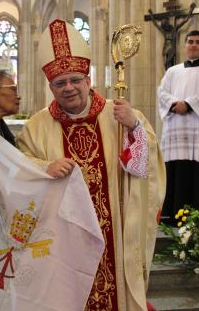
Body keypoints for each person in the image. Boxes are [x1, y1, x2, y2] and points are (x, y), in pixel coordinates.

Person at [17, 19, 166, 311]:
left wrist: (134, 127)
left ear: (88, 80)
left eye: (75, 80)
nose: (69, 88)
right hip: (64, 235)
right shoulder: (36, 127)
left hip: (114, 232)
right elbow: (19, 169)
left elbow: (144, 169)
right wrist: (44, 168)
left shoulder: (119, 114)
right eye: (60, 83)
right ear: (51, 86)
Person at [157, 30, 199, 225]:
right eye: (190, 42)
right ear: (184, 46)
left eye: (198, 42)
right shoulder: (172, 71)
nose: (194, 45)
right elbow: (162, 92)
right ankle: (172, 214)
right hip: (176, 129)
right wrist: (174, 104)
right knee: (176, 172)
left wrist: (188, 104)